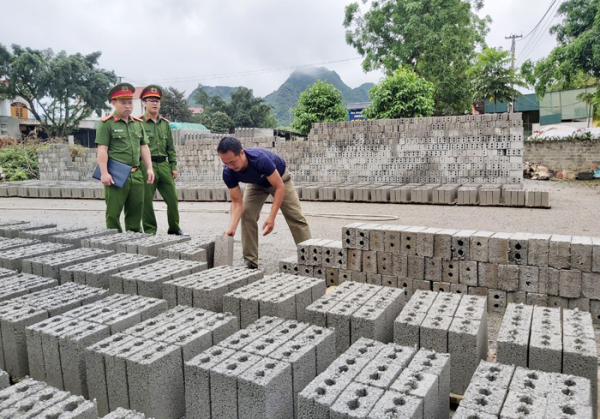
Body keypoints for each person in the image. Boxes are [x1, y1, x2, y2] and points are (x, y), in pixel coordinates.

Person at [218, 136, 312, 269]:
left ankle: (310, 257)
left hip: (280, 180)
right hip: (256, 184)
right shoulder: (228, 172)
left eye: (232, 162)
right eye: (225, 163)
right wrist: (231, 227)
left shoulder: (260, 160)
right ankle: (250, 261)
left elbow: (280, 187)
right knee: (247, 214)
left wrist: (271, 217)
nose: (230, 166)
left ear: (242, 153)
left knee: (295, 217)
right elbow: (237, 202)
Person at [95, 83, 155, 233]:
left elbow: (144, 147)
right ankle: (115, 243)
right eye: (123, 102)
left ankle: (134, 242)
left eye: (130, 102)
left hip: (136, 174)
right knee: (113, 212)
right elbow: (102, 149)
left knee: (136, 211)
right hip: (116, 174)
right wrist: (104, 173)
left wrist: (149, 168)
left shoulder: (137, 124)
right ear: (113, 103)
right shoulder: (106, 124)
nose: (127, 106)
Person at [139, 85, 186, 236]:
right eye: (151, 100)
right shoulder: (138, 122)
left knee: (172, 198)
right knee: (146, 201)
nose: (154, 104)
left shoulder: (165, 124)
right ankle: (150, 231)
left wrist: (173, 166)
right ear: (144, 103)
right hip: (147, 165)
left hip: (164, 165)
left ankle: (174, 228)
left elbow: (170, 147)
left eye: (157, 101)